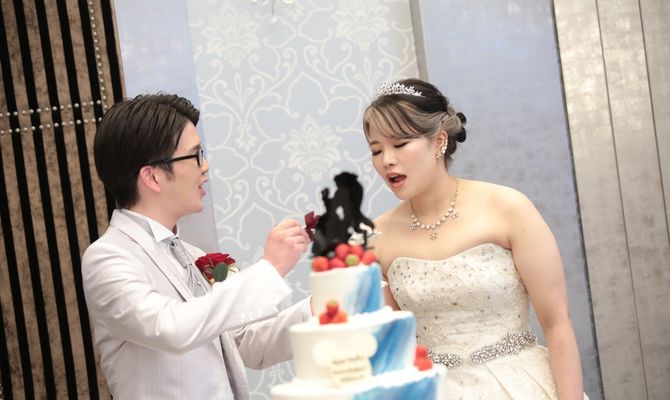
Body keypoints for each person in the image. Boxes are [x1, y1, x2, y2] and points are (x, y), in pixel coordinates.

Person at [363, 79, 589, 399]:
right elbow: (390, 350)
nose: (386, 160)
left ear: (439, 141)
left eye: (399, 145)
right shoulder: (377, 237)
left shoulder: (507, 207)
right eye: (376, 150)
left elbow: (557, 323)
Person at [82, 93, 311, 399]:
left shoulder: (193, 256)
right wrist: (269, 269)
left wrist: (324, 306)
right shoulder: (107, 258)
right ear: (152, 176)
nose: (205, 167)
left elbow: (246, 344)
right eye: (195, 155)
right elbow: (171, 328)